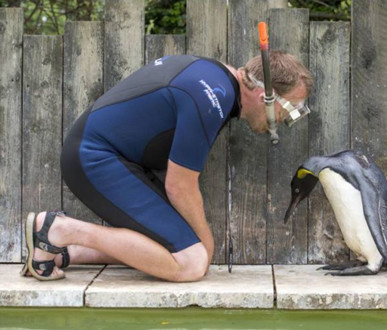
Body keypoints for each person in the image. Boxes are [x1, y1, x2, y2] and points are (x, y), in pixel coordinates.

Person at [22, 50, 313, 282]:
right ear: (267, 96)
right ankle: (57, 228)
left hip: (111, 160)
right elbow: (179, 185)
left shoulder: (216, 79)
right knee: (192, 262)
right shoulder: (213, 97)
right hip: (93, 159)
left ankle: (61, 252)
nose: (284, 122)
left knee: (168, 250)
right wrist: (206, 243)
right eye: (288, 110)